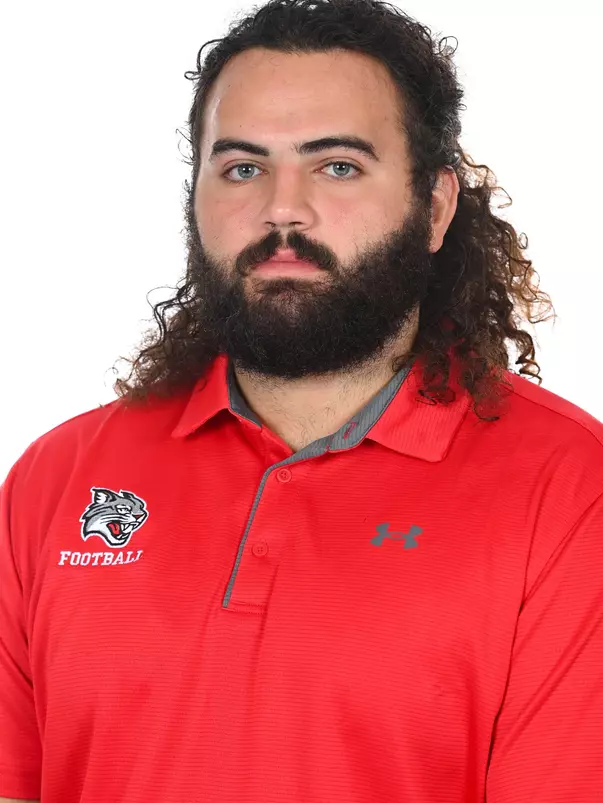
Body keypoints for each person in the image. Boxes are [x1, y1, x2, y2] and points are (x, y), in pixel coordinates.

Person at [1, 0, 602, 800]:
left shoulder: (568, 491)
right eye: (242, 167)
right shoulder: (55, 479)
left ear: (435, 207)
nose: (282, 208)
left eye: (337, 166)